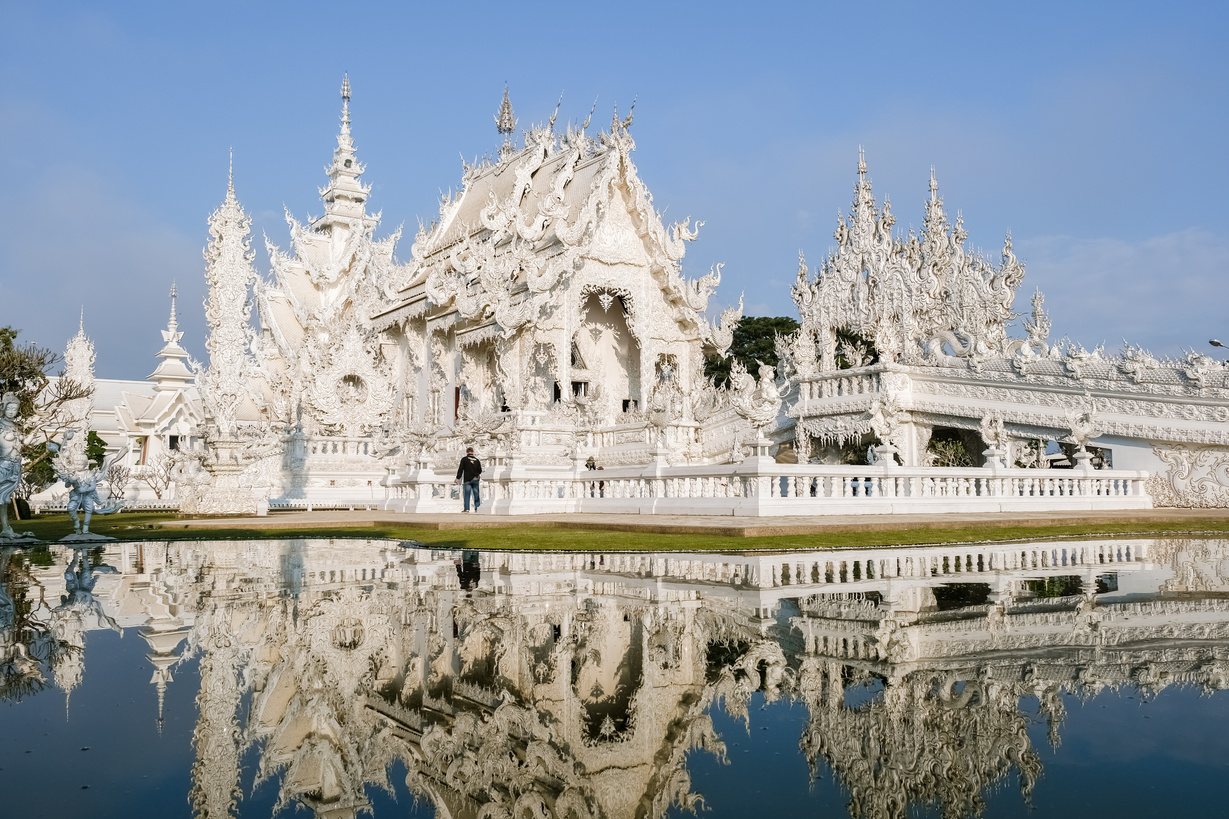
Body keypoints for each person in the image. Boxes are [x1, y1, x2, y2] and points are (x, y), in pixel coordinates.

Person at [454, 447, 482, 512]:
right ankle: (477, 508)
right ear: (473, 452)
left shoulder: (464, 459)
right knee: (476, 494)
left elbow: (460, 469)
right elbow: (480, 470)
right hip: (475, 479)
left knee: (467, 495)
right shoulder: (477, 460)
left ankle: (466, 509)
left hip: (467, 479)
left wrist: (457, 478)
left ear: (467, 452)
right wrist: (477, 473)